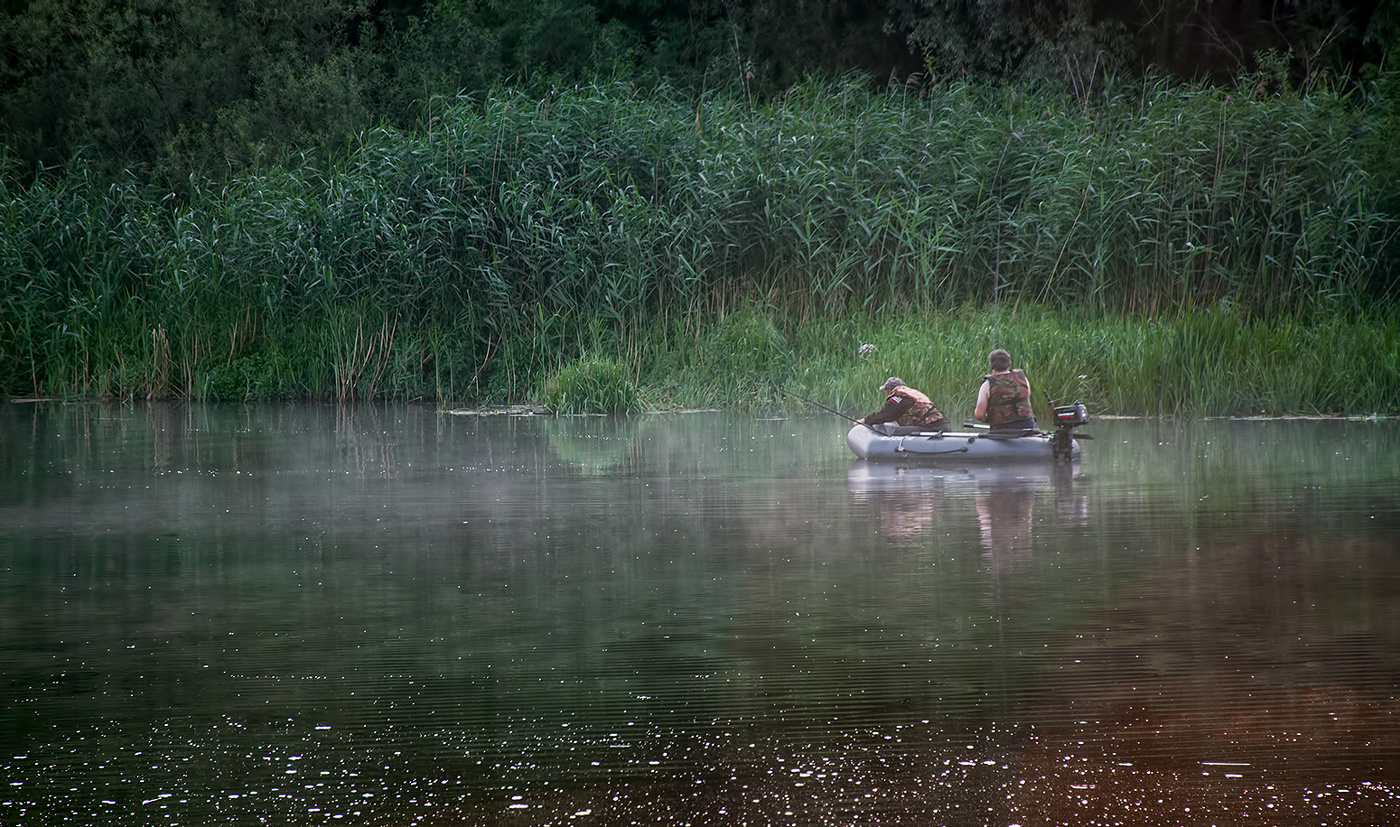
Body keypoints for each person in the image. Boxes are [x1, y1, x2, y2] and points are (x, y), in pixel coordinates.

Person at [974, 349, 1036, 433]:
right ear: (1009, 364)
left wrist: (991, 420)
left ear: (991, 366)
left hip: (1001, 428)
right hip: (1027, 425)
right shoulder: (1023, 379)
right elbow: (1026, 399)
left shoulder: (987, 385)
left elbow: (979, 415)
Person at [857, 377, 949, 433]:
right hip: (943, 425)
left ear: (889, 390)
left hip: (931, 427)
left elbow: (883, 415)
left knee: (896, 432)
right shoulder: (910, 394)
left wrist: (864, 420)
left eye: (885, 391)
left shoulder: (897, 397)